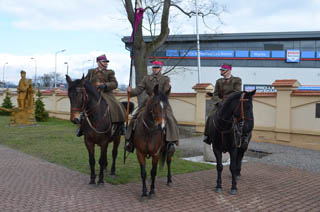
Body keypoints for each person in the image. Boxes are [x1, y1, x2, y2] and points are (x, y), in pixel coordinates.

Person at [124, 60, 179, 155]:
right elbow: (139, 89)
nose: (155, 69)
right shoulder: (146, 78)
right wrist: (131, 91)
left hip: (161, 102)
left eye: (157, 67)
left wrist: (160, 96)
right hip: (148, 102)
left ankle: (171, 142)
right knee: (135, 118)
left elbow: (166, 91)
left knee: (170, 119)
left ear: (160, 69)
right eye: (154, 67)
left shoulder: (165, 79)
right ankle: (130, 141)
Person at [77, 54, 126, 137]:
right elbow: (84, 82)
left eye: (106, 62)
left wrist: (105, 85)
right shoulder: (91, 72)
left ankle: (121, 125)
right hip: (93, 94)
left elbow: (115, 83)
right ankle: (81, 127)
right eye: (104, 62)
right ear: (98, 62)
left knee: (117, 105)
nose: (106, 63)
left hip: (106, 93)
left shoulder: (110, 72)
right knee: (83, 106)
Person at [203, 63, 242, 144]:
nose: (221, 71)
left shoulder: (237, 80)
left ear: (229, 71)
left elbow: (237, 92)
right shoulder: (219, 81)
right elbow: (215, 94)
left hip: (232, 103)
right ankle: (208, 135)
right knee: (211, 115)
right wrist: (219, 102)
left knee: (241, 115)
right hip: (220, 103)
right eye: (221, 70)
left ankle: (242, 135)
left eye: (223, 70)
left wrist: (227, 101)